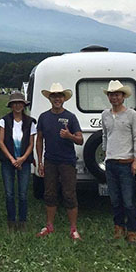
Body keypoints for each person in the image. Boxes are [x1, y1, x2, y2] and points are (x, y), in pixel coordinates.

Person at [35, 83, 83, 241]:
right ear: (50, 98)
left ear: (64, 99)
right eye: (54, 96)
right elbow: (39, 139)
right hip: (50, 161)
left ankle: (73, 229)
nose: (57, 99)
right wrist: (40, 161)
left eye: (60, 96)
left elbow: (80, 140)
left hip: (67, 162)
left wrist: (70, 136)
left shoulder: (71, 117)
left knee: (69, 194)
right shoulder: (44, 117)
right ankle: (49, 225)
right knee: (49, 193)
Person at [101, 79, 136, 245]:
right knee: (115, 199)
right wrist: (106, 152)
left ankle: (132, 230)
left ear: (123, 96)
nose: (114, 97)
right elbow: (105, 135)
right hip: (110, 163)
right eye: (111, 95)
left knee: (128, 200)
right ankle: (119, 227)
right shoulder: (105, 114)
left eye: (117, 94)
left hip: (127, 162)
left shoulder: (132, 115)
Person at [0, 91, 36, 231]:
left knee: (23, 193)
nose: (18, 105)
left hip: (24, 162)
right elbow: (1, 142)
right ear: (11, 105)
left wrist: (23, 158)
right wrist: (12, 159)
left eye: (20, 103)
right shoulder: (4, 121)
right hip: (8, 161)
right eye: (15, 103)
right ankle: (11, 221)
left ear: (24, 105)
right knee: (9, 193)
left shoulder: (30, 122)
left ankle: (23, 221)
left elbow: (31, 143)